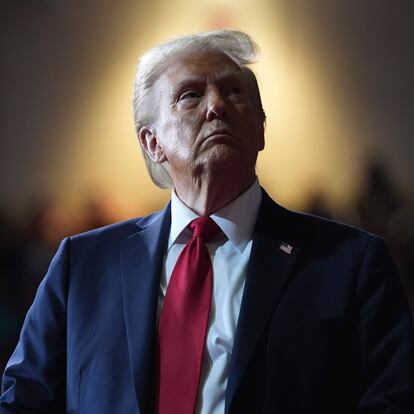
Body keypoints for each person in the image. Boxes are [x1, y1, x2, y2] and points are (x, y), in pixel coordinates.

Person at [1, 29, 414, 414]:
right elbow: (24, 399)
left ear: (260, 128)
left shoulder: (350, 264)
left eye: (234, 92)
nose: (216, 105)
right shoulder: (84, 265)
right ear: (153, 142)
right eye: (190, 96)